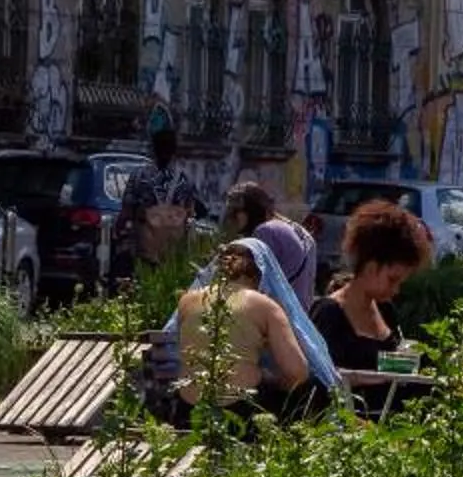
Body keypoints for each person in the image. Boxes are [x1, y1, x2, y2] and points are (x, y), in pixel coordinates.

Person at [175, 239, 316, 418]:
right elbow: (297, 371)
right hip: (241, 409)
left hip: (187, 408)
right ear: (262, 273)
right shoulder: (264, 305)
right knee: (305, 389)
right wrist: (278, 384)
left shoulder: (188, 300)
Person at [308, 200, 432, 373]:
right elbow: (324, 375)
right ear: (370, 266)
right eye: (392, 280)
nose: (395, 290)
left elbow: (391, 364)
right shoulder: (329, 313)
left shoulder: (385, 310)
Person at [115, 110, 204, 272]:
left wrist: (117, 230)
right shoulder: (184, 180)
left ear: (153, 149)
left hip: (145, 249)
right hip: (172, 250)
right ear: (174, 152)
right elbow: (191, 213)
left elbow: (126, 211)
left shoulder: (139, 177)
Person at [222, 179, 315, 301]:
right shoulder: (291, 228)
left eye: (237, 211)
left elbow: (253, 281)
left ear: (251, 209)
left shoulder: (265, 232)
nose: (232, 217)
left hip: (280, 310)